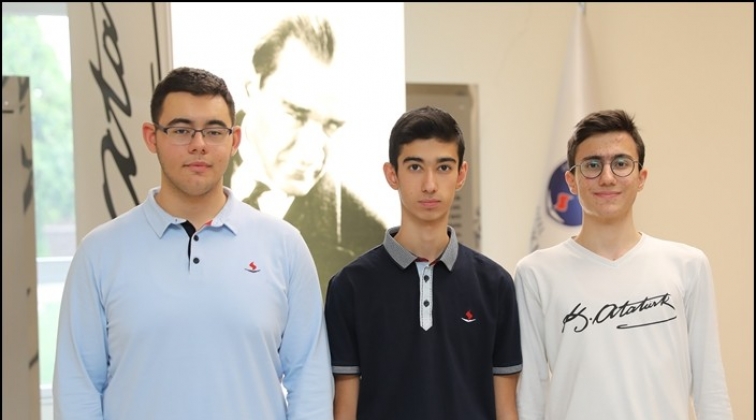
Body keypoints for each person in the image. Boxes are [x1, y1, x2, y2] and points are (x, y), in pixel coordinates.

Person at [53, 67, 333, 420]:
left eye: (214, 131)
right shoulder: (99, 253)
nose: (199, 144)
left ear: (234, 140)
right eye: (181, 130)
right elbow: (77, 388)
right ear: (152, 137)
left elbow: (310, 380)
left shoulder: (285, 246)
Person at [514, 109, 733, 420]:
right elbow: (531, 396)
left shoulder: (687, 266)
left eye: (620, 163)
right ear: (571, 181)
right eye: (592, 165)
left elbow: (710, 386)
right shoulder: (536, 273)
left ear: (641, 177)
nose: (607, 177)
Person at [324, 106, 522, 420]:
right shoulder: (350, 286)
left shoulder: (495, 284)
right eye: (415, 167)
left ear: (461, 174)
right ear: (392, 174)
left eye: (443, 167)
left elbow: (506, 408)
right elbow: (344, 409)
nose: (430, 184)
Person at [225, 14, 385, 296]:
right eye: (295, 114)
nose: (312, 151)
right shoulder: (184, 177)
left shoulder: (369, 239)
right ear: (252, 88)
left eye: (331, 125)